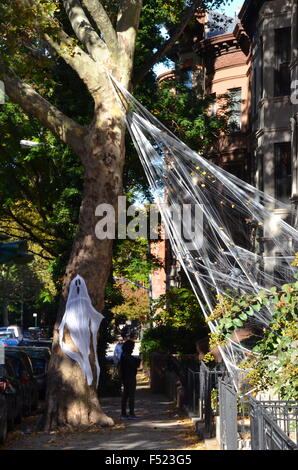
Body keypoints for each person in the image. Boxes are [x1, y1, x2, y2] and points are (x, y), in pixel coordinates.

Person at [119, 340, 140, 420]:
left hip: (125, 377)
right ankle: (131, 413)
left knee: (125, 395)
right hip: (130, 377)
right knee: (131, 396)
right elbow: (135, 364)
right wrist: (138, 360)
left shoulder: (123, 355)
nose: (133, 348)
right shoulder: (127, 356)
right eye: (133, 347)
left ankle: (123, 414)